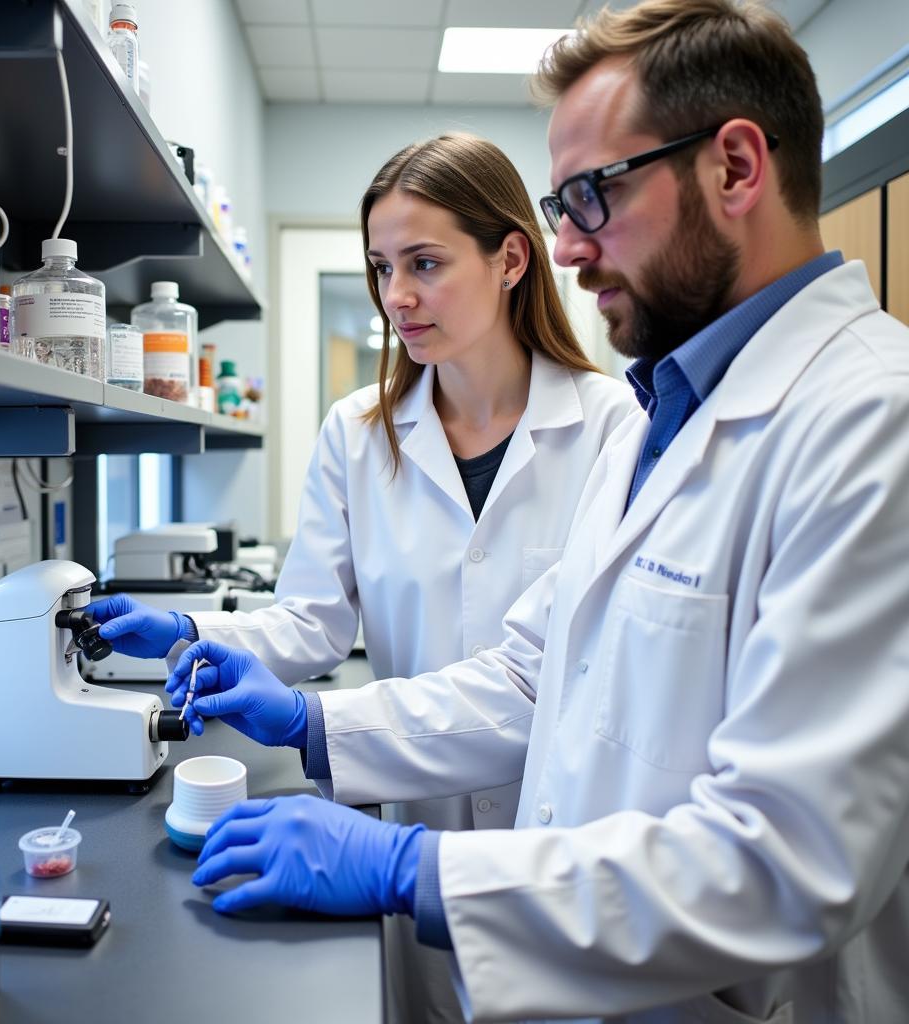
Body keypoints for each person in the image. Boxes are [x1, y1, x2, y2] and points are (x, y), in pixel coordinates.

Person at [162, 1, 909, 1022]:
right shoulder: (666, 417)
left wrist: (418, 870)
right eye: (560, 206)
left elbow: (789, 854)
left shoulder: (871, 423)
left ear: (734, 168)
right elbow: (533, 673)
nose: (566, 248)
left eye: (592, 196)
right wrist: (311, 719)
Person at [88, 133, 633, 1022]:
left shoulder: (613, 427)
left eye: (425, 262)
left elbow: (555, 673)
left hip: (558, 835)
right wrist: (193, 636)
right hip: (409, 815)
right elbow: (311, 621)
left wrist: (312, 721)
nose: (397, 297)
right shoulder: (358, 430)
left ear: (510, 258)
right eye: (382, 267)